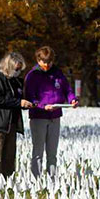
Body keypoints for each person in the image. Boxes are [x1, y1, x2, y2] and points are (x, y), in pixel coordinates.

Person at [0, 52, 34, 183]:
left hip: (10, 124)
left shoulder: (15, 82)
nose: (18, 72)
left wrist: (27, 104)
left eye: (20, 69)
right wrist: (19, 103)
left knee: (9, 158)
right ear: (8, 66)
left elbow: (19, 99)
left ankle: (7, 185)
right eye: (16, 69)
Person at [24, 46, 78, 177]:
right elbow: (30, 97)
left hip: (55, 116)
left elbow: (67, 89)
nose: (47, 65)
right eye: (44, 62)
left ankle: (52, 179)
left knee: (52, 152)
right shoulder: (32, 76)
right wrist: (43, 106)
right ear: (38, 60)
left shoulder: (57, 73)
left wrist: (72, 100)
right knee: (38, 151)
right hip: (39, 117)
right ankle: (35, 179)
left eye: (49, 62)